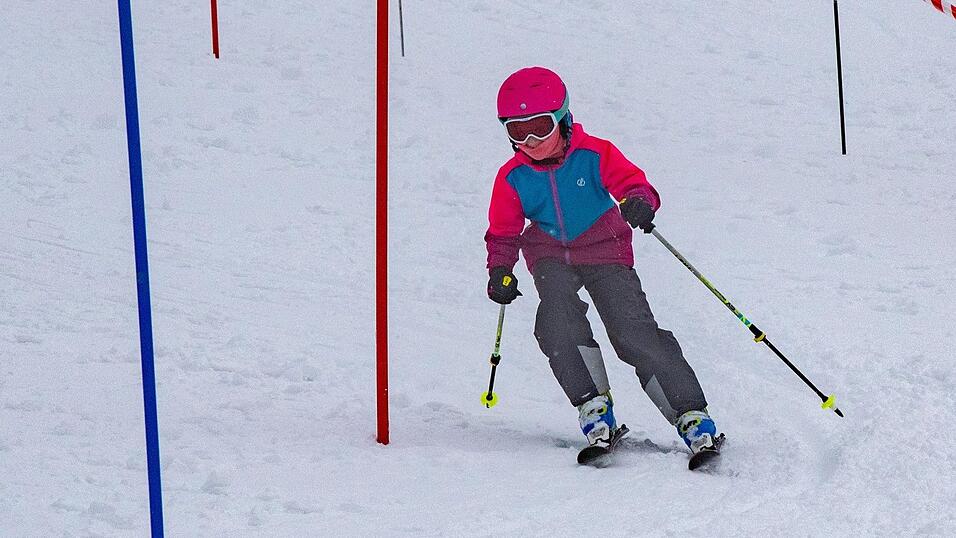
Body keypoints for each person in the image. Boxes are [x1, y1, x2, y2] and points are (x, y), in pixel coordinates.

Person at [484, 66, 719, 456]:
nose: (529, 140)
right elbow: (504, 231)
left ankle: (690, 415)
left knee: (632, 330)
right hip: (549, 254)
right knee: (556, 321)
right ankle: (593, 407)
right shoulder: (512, 178)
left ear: (562, 118)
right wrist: (499, 270)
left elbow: (632, 182)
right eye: (516, 130)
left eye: (540, 126)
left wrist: (639, 201)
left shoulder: (594, 154)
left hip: (605, 248)